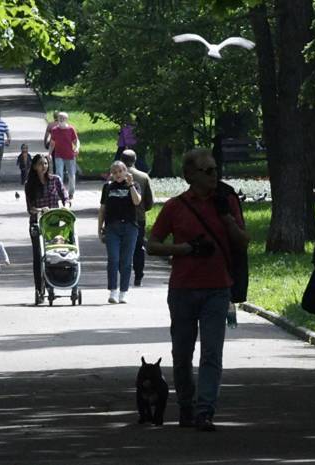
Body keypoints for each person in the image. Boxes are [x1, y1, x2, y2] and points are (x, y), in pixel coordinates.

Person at [147, 148, 249, 432]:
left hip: (218, 289)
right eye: (207, 171)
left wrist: (227, 218)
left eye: (216, 169)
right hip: (183, 289)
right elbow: (152, 244)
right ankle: (187, 405)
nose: (214, 175)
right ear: (190, 175)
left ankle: (205, 411)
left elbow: (243, 242)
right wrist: (181, 249)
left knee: (212, 353)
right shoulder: (176, 206)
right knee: (182, 355)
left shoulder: (227, 201)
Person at [24, 154, 69, 298]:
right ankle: (39, 288)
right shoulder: (29, 184)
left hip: (53, 223)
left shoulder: (55, 180)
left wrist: (66, 206)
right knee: (38, 255)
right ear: (34, 166)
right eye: (40, 164)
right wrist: (41, 209)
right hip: (37, 223)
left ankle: (52, 283)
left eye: (45, 163)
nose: (43, 166)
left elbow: (65, 196)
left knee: (53, 254)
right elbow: (30, 208)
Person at [97, 161, 141, 304]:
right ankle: (113, 291)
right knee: (113, 259)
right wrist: (100, 228)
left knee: (126, 261)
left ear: (125, 171)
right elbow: (103, 209)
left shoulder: (134, 185)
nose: (117, 175)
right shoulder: (108, 187)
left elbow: (137, 201)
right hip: (112, 227)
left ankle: (123, 291)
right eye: (114, 172)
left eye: (120, 171)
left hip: (130, 227)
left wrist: (131, 185)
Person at [120, 150, 154, 287]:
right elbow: (150, 202)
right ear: (135, 160)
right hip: (138, 217)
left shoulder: (115, 176)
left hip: (120, 218)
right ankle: (138, 275)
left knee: (122, 247)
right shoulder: (144, 177)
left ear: (122, 160)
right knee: (138, 247)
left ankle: (123, 275)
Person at [48, 112, 80, 200]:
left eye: (63, 118)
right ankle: (60, 192)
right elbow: (52, 143)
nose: (61, 119)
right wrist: (49, 154)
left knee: (71, 175)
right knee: (59, 174)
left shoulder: (71, 129)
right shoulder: (54, 130)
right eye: (60, 118)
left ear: (66, 119)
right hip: (58, 155)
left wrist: (77, 148)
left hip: (70, 155)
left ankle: (71, 193)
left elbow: (76, 141)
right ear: (57, 119)